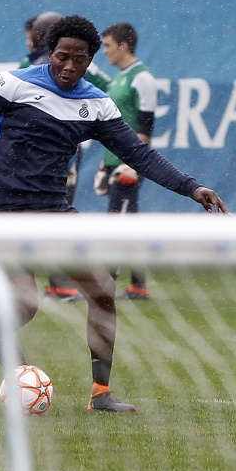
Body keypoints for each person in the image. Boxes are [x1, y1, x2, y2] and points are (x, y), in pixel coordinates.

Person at [0, 15, 229, 412]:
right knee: (26, 304)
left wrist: (192, 187)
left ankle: (101, 394)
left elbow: (140, 155)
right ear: (49, 52)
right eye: (62, 56)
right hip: (4, 211)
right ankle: (1, 330)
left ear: (89, 61)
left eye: (79, 60)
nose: (69, 66)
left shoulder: (96, 104)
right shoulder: (14, 84)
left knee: (102, 291)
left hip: (56, 212)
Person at [88, 22, 158, 300]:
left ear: (123, 46)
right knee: (128, 225)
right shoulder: (118, 79)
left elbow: (145, 127)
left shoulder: (142, 78)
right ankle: (138, 285)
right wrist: (105, 165)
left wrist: (133, 164)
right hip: (116, 163)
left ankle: (105, 286)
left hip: (129, 164)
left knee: (117, 225)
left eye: (107, 46)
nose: (105, 51)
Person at [20, 11, 81, 301]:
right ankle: (57, 283)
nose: (27, 40)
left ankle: (60, 284)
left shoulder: (54, 72)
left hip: (53, 162)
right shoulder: (28, 71)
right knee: (49, 219)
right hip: (46, 161)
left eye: (31, 35)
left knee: (50, 219)